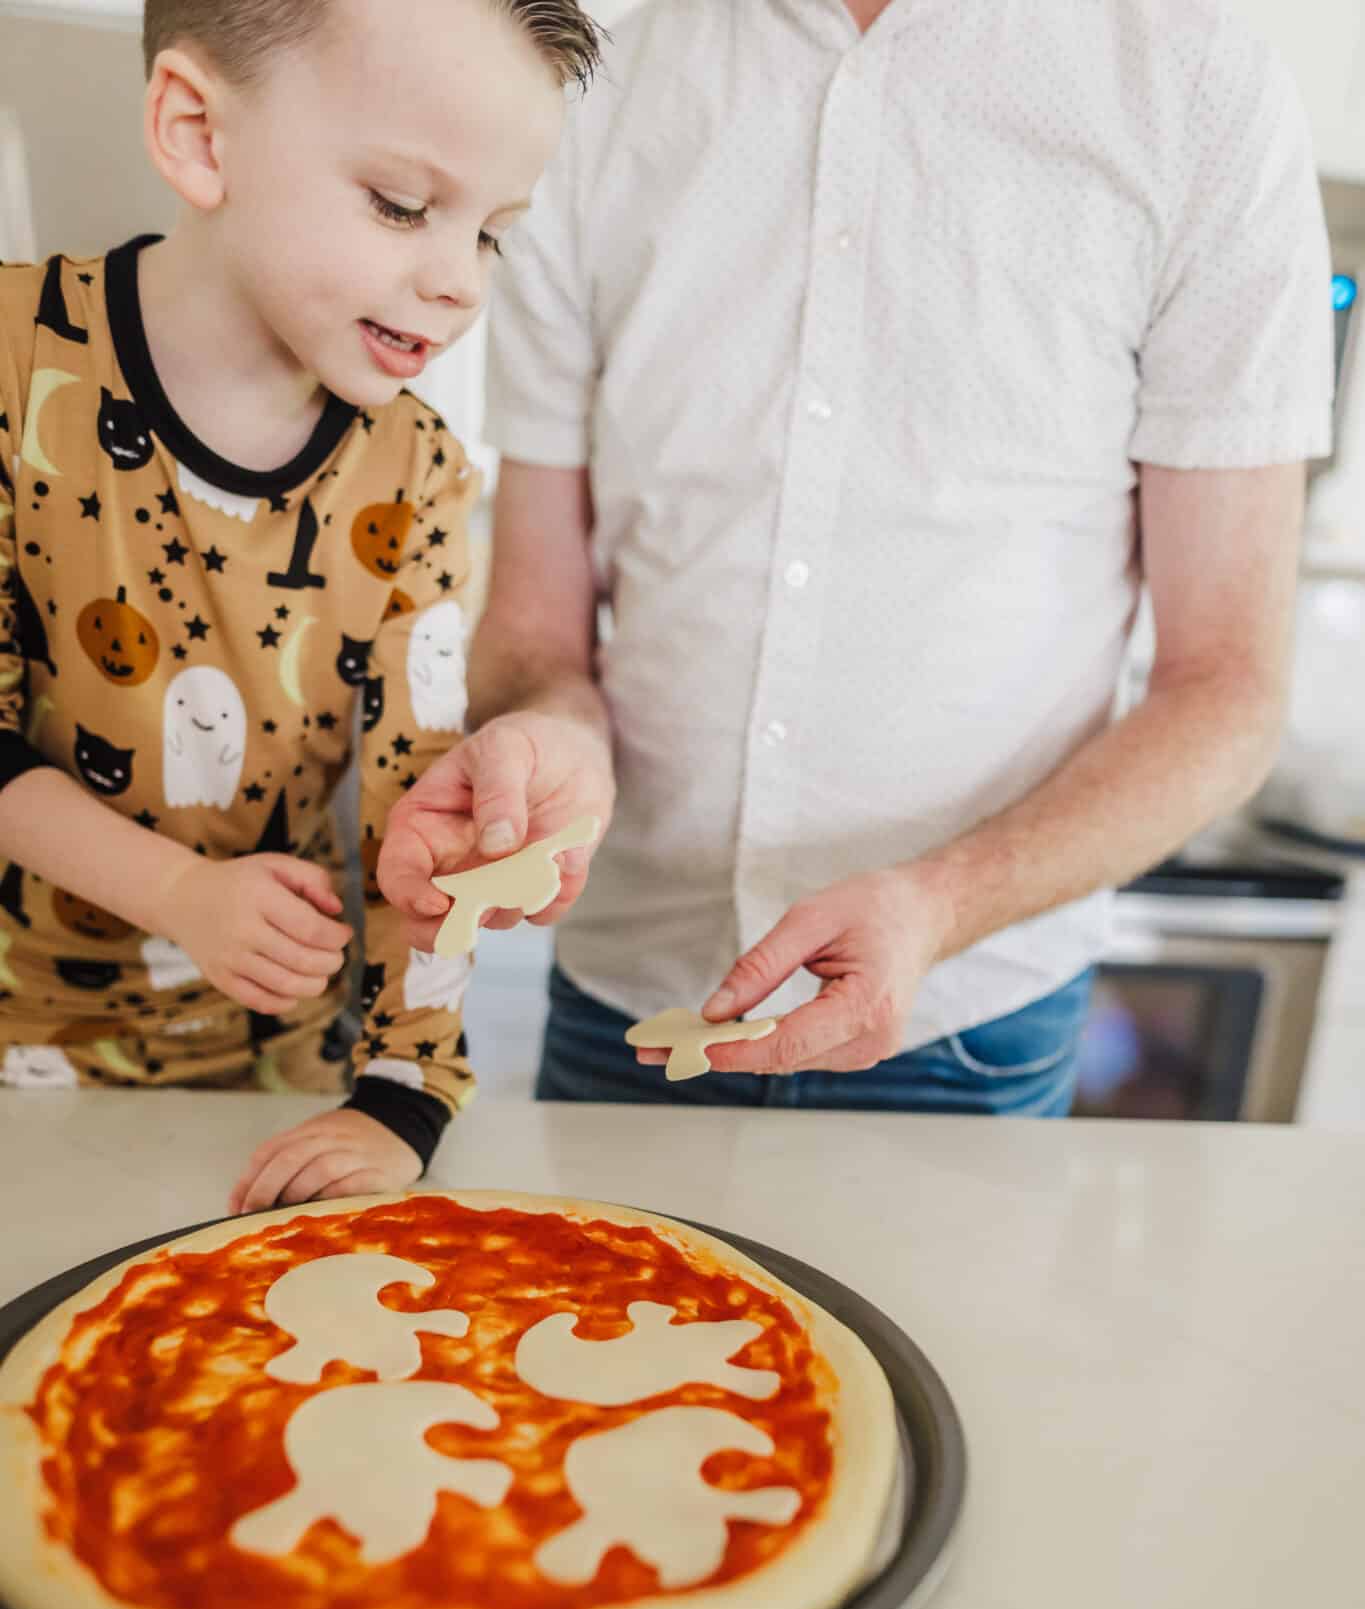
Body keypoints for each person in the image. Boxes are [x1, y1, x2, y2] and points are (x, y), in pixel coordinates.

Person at [379, 0, 1334, 1116]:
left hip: (968, 1023)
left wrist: (939, 903)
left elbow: (1227, 689)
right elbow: (538, 637)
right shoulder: (591, 92)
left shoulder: (1199, 91)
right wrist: (550, 747)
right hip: (629, 997)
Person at [0, 0, 599, 1206]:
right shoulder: (17, 369)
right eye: (401, 205)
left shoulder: (419, 474)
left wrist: (403, 1093)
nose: (457, 285)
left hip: (280, 1079)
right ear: (196, 133)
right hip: (21, 1065)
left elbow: (414, 822)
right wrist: (176, 893)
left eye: (492, 234)